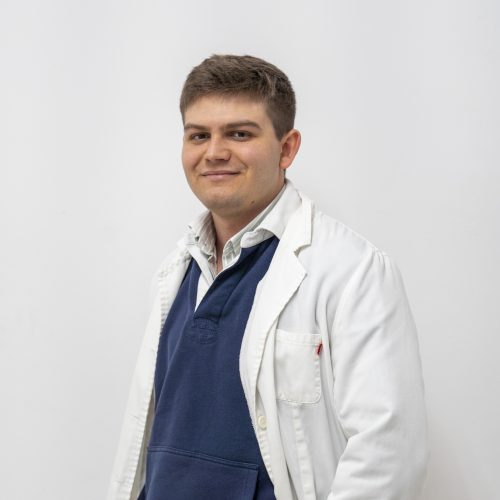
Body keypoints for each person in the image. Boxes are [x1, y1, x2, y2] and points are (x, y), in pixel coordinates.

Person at [107, 54, 428, 500]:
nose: (214, 152)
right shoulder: (174, 274)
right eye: (199, 135)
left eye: (239, 133)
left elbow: (388, 453)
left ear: (287, 148)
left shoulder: (352, 271)